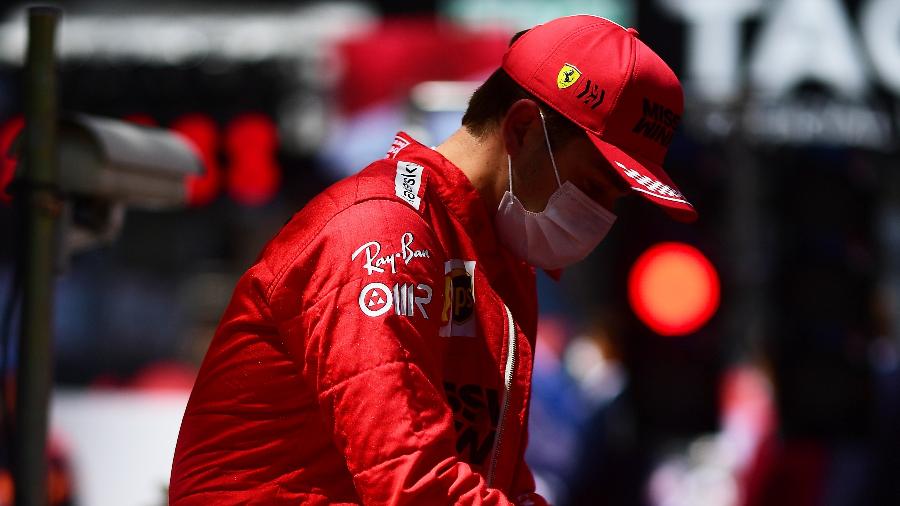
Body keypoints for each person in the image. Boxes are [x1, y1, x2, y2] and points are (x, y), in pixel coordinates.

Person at [169, 15, 696, 505]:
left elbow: (496, 484)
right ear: (522, 130)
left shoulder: (498, 263)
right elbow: (412, 482)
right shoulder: (379, 234)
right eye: (594, 186)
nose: (602, 215)